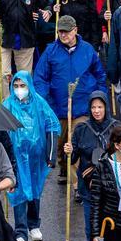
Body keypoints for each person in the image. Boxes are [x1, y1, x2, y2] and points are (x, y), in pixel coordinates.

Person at [34, 15, 106, 184]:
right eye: (60, 31)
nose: (63, 35)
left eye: (67, 31)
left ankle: (77, 185)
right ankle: (63, 166)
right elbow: (40, 78)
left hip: (82, 107)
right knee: (61, 142)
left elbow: (100, 75)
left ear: (75, 30)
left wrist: (99, 98)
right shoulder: (50, 51)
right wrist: (46, 101)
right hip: (58, 108)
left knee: (76, 142)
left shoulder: (88, 50)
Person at [2, 71, 60, 241]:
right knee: (18, 192)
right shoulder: (7, 105)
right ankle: (20, 231)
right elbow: (0, 130)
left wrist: (51, 154)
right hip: (16, 158)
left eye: (23, 86)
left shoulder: (39, 103)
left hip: (35, 158)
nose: (20, 89)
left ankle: (34, 224)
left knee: (35, 190)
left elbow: (52, 125)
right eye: (17, 86)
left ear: (29, 86)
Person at [65, 92, 115, 234]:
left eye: (100, 107)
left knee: (110, 230)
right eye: (93, 107)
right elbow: (73, 159)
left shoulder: (115, 128)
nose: (96, 111)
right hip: (88, 187)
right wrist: (69, 151)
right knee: (91, 230)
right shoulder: (81, 129)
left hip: (110, 188)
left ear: (106, 108)